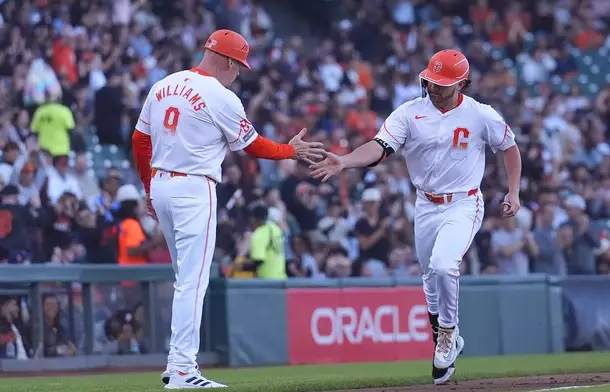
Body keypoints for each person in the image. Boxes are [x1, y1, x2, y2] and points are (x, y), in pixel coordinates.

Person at [310, 49, 522, 385]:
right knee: (428, 274)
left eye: (442, 83)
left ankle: (449, 333)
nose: (433, 87)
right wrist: (345, 161)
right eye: (430, 80)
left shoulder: (481, 115)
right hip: (425, 204)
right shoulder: (409, 113)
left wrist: (513, 191)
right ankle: (443, 330)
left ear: (462, 83)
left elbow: (509, 147)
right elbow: (380, 147)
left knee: (443, 265)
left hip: (464, 202)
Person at [131, 29, 324, 389]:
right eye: (240, 66)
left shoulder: (163, 84)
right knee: (193, 281)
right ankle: (184, 370)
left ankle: (177, 366)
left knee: (184, 280)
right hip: (193, 188)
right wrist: (290, 151)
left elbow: (140, 140)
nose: (239, 73)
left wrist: (147, 189)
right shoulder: (221, 96)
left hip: (161, 184)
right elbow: (252, 146)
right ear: (230, 61)